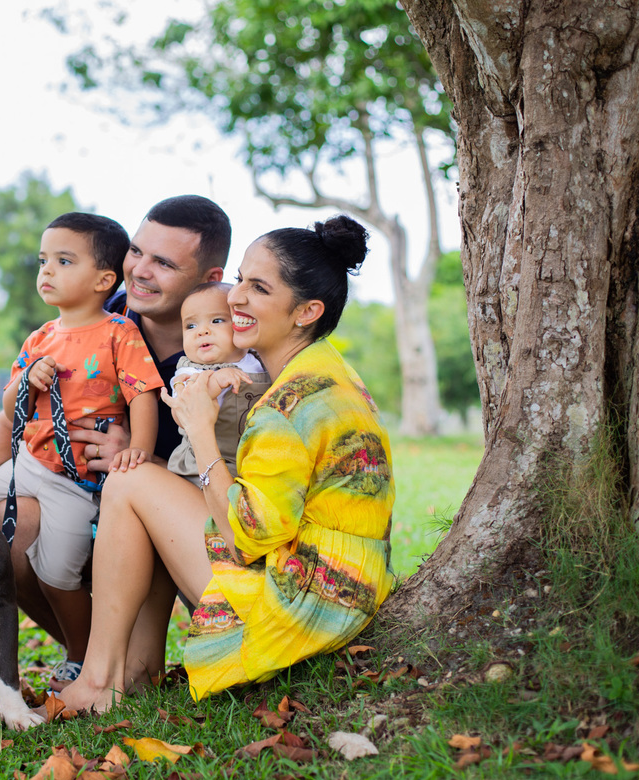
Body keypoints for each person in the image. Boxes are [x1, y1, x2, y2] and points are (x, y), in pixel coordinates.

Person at [59, 215, 396, 712]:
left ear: (307, 311)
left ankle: (99, 680)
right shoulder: (324, 371)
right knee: (158, 491)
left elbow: (247, 535)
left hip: (302, 609)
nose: (234, 297)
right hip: (337, 589)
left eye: (259, 288)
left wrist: (199, 430)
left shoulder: (289, 404)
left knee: (131, 483)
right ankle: (136, 668)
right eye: (241, 279)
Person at [0, 196, 231, 663]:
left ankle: (127, 660)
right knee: (8, 525)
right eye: (137, 251)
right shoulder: (97, 316)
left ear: (210, 279)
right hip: (79, 492)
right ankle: (82, 654)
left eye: (163, 263)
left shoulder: (229, 346)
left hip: (184, 522)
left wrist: (141, 456)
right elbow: (14, 417)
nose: (140, 270)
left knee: (139, 663)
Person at [0, 212, 162, 684]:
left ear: (104, 279)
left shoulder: (120, 333)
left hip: (75, 481)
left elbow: (143, 393)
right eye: (43, 261)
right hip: (30, 461)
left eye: (63, 260)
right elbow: (7, 405)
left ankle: (81, 651)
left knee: (58, 574)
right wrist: (28, 381)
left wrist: (137, 450)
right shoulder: (40, 337)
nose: (47, 272)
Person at [163, 282, 269, 485]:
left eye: (217, 320)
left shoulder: (257, 359)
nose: (201, 331)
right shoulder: (190, 370)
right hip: (200, 468)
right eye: (190, 326)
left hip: (251, 464)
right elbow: (181, 414)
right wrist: (214, 383)